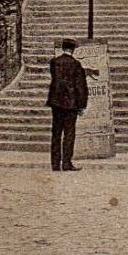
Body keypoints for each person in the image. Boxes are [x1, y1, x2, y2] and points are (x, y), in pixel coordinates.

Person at [46, 38, 89, 172]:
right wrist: (82, 104)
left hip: (56, 103)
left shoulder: (54, 62)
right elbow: (80, 86)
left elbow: (55, 80)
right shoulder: (76, 64)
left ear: (63, 48)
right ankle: (66, 163)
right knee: (69, 133)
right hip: (71, 104)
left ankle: (55, 164)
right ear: (73, 49)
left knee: (56, 133)